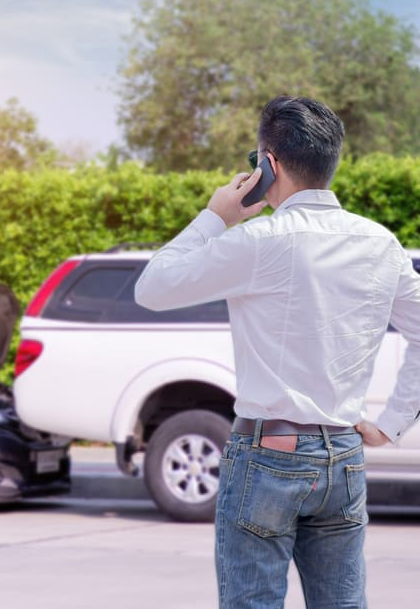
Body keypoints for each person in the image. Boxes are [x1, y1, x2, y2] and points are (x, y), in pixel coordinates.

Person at [133, 95, 420, 608]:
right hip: (345, 456)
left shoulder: (260, 240)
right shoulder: (380, 243)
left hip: (268, 455)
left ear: (268, 164)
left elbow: (152, 288)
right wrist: (393, 421)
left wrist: (215, 216)